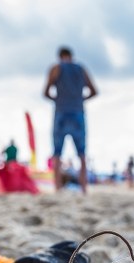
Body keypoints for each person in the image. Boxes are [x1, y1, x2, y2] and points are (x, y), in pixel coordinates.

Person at [44, 46, 97, 194]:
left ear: (60, 56)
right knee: (82, 154)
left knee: (57, 153)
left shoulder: (56, 68)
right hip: (78, 112)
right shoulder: (81, 69)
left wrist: (57, 100)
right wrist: (80, 99)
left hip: (61, 112)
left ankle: (57, 188)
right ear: (71, 56)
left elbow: (46, 92)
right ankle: (84, 188)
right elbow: (94, 91)